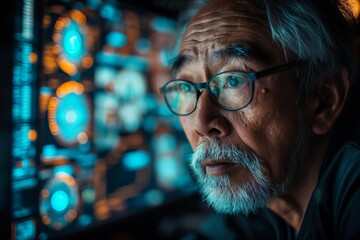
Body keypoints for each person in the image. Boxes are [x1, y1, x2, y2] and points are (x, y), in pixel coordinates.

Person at [159, 0, 360, 239]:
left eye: (234, 80)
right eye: (187, 88)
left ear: (323, 100)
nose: (202, 124)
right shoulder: (269, 205)